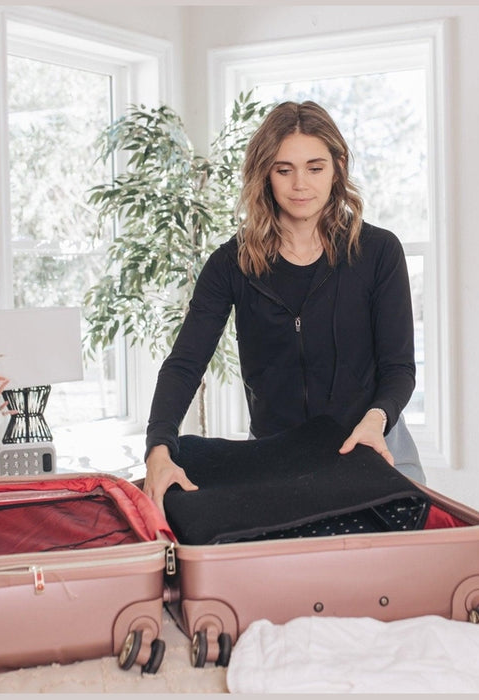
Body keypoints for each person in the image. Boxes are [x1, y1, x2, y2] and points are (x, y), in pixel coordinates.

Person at [143, 100, 424, 514]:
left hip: (373, 443)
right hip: (279, 460)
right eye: (284, 169)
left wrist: (376, 419)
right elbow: (185, 365)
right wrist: (158, 448)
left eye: (315, 168)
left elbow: (399, 368)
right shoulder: (231, 264)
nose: (300, 185)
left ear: (338, 168)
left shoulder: (378, 252)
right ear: (265, 174)